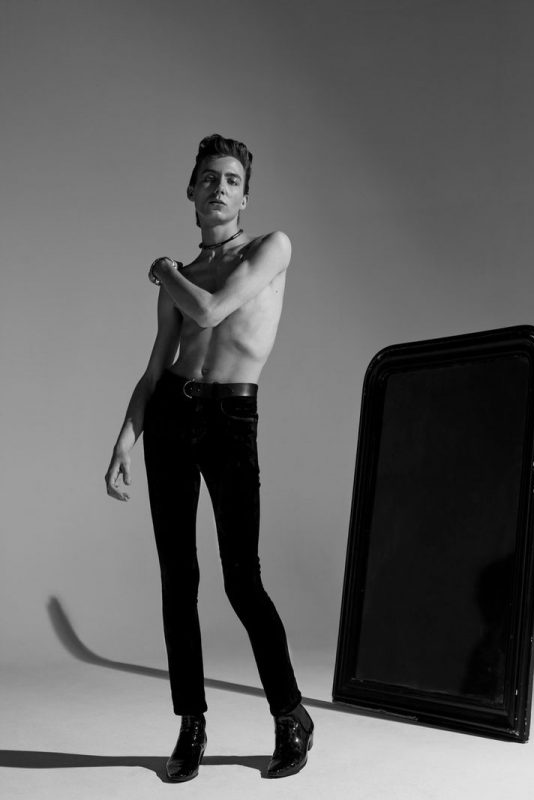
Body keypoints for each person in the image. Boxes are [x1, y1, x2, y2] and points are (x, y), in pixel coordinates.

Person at [104, 134, 314, 781]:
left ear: (244, 197)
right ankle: (190, 724)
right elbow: (155, 369)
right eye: (209, 178)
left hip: (230, 419)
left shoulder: (269, 248)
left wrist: (164, 269)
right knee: (178, 581)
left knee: (242, 579)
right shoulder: (180, 278)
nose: (219, 187)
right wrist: (125, 439)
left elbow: (216, 310)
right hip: (171, 416)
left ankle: (290, 715)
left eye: (231, 180)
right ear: (191, 191)